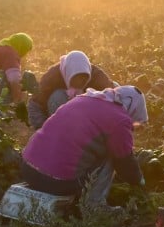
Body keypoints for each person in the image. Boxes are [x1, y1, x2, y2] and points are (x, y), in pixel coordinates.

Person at [20, 85, 148, 207]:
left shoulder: (82, 99)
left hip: (28, 170)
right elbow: (124, 160)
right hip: (58, 183)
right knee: (112, 154)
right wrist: (139, 181)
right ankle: (94, 206)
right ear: (133, 108)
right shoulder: (120, 119)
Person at [27, 50, 116, 129]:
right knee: (57, 96)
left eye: (83, 77)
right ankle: (60, 130)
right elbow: (35, 104)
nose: (79, 81)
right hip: (58, 114)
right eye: (76, 77)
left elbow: (115, 94)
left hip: (88, 115)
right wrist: (44, 129)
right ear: (68, 73)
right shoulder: (52, 76)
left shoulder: (96, 75)